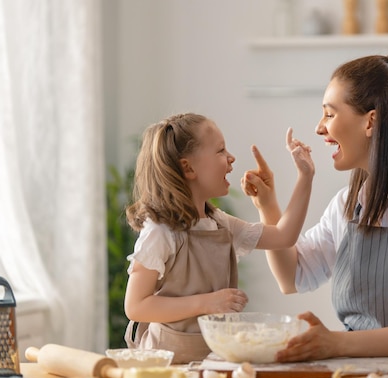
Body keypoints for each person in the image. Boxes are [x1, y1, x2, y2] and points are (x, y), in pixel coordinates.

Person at [241, 47, 388, 362]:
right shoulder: (348, 204)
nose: (319, 128)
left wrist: (335, 344)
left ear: (371, 122)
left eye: (329, 114)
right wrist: (268, 205)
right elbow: (293, 275)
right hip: (362, 373)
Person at [123, 113, 314, 364]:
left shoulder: (220, 224)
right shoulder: (160, 232)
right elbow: (136, 306)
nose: (231, 158)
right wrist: (207, 303)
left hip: (212, 362)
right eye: (221, 150)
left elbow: (283, 236)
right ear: (188, 168)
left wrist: (305, 176)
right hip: (167, 367)